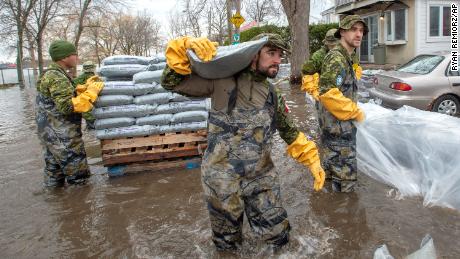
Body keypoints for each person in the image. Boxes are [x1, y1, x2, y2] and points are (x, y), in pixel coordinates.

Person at [161, 34, 326, 251]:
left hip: (261, 178)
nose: (277, 59)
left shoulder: (271, 92)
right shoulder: (221, 81)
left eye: (280, 55)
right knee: (227, 244)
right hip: (222, 181)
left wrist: (312, 158)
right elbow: (171, 82)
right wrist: (182, 49)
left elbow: (289, 131)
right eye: (271, 53)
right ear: (253, 54)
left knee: (279, 238)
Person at [35, 40, 103, 187]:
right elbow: (66, 106)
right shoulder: (56, 77)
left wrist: (82, 88)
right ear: (64, 57)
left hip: (51, 135)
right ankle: (80, 207)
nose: (76, 58)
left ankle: (58, 204)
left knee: (54, 176)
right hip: (63, 137)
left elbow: (58, 98)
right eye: (74, 54)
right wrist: (91, 93)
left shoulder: (51, 73)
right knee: (79, 179)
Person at [317, 15, 367, 192]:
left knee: (332, 185)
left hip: (335, 131)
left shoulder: (345, 57)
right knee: (346, 188)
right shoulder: (337, 58)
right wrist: (354, 111)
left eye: (361, 31)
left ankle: (330, 215)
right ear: (343, 32)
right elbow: (327, 92)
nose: (359, 34)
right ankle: (343, 218)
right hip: (339, 134)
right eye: (354, 29)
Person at [74, 61, 97, 129]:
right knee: (90, 113)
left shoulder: (79, 78)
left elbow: (74, 86)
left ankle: (90, 125)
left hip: (83, 98)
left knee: (87, 112)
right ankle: (91, 125)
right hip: (90, 98)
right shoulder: (94, 77)